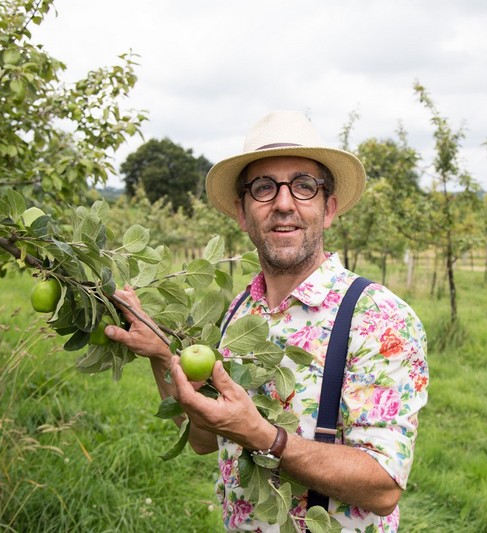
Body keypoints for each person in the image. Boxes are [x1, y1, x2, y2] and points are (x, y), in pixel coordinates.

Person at [106, 110, 428, 532]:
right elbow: (205, 440)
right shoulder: (241, 312)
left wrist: (264, 436)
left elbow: (383, 488)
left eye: (303, 186)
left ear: (328, 208)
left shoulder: (379, 318)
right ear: (242, 213)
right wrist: (160, 353)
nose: (282, 203)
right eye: (263, 188)